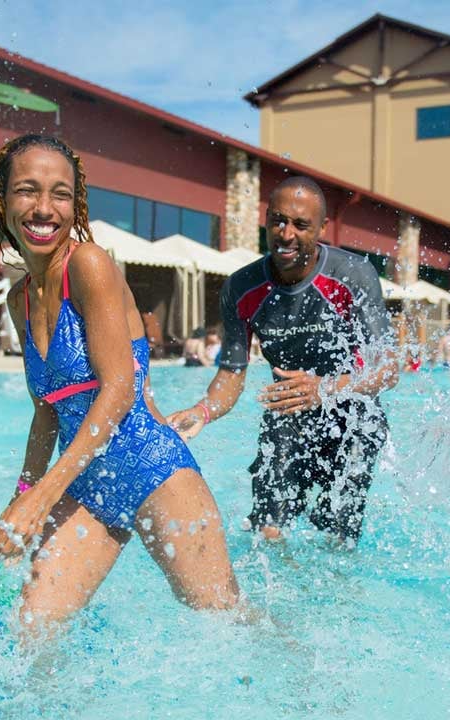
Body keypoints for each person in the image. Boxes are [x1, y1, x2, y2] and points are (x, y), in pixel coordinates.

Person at [0, 135, 239, 634]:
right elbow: (46, 410)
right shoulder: (20, 299)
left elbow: (120, 389)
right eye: (26, 190)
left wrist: (43, 498)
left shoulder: (88, 265)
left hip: (152, 469)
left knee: (228, 628)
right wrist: (22, 495)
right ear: (2, 199)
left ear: (75, 204)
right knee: (31, 632)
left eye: (59, 194)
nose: (43, 208)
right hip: (86, 486)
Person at [168, 176, 398, 544]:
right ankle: (281, 603)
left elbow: (387, 368)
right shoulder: (242, 288)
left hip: (353, 415)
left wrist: (325, 388)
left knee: (338, 532)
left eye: (300, 224)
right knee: (268, 529)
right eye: (277, 220)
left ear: (322, 228)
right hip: (287, 413)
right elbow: (232, 372)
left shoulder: (353, 276)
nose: (285, 233)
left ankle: (336, 598)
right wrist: (204, 411)